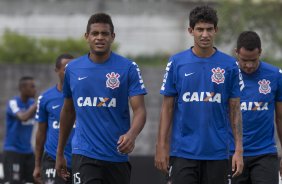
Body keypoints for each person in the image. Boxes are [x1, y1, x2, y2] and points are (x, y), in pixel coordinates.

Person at [155, 5, 244, 184]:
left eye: (209, 29)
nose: (205, 34)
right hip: (183, 153)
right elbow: (167, 107)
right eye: (200, 29)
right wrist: (161, 146)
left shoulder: (230, 65)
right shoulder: (176, 62)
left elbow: (234, 110)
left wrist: (239, 150)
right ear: (191, 31)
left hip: (218, 152)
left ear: (216, 30)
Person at [55, 13, 147, 184]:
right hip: (84, 154)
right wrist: (60, 153)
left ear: (112, 37)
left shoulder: (128, 67)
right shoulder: (72, 69)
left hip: (117, 155)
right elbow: (68, 111)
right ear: (86, 37)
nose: (99, 38)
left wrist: (131, 135)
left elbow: (140, 110)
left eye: (104, 34)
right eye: (95, 33)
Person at [231, 31, 282, 184]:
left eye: (253, 60)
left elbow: (280, 117)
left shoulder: (275, 75)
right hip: (232, 154)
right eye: (244, 60)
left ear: (260, 52)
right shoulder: (227, 75)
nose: (249, 65)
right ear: (236, 53)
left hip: (264, 154)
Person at [33, 54, 75, 184]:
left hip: (80, 159)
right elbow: (40, 133)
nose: (70, 72)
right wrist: (38, 165)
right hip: (52, 158)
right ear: (56, 70)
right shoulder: (46, 97)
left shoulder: (83, 96)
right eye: (65, 68)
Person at [3, 76, 37, 184]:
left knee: (32, 181)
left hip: (28, 151)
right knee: (14, 182)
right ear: (22, 88)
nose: (35, 89)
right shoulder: (13, 103)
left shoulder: (32, 103)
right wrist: (36, 105)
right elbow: (23, 117)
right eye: (31, 86)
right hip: (13, 151)